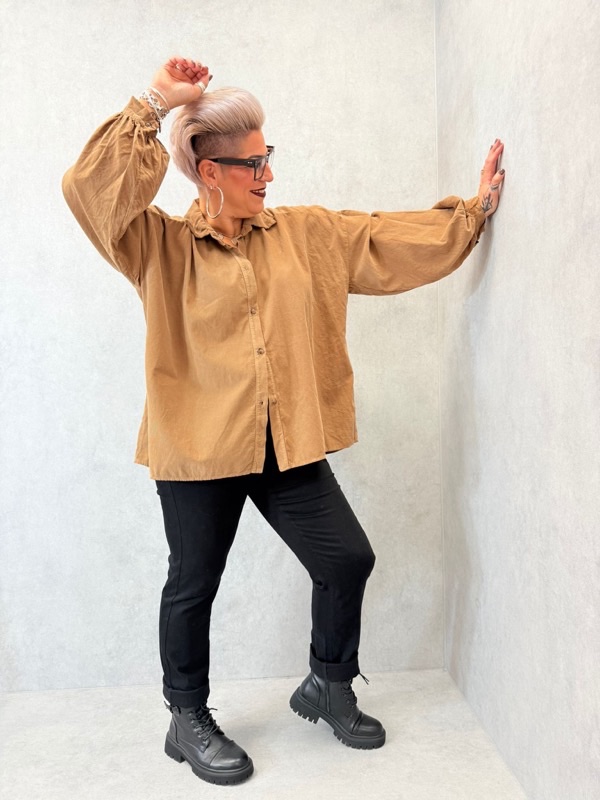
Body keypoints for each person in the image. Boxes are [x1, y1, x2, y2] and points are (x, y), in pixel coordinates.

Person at [62, 55, 505, 786]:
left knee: (346, 559)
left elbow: (383, 238)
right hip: (198, 449)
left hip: (284, 443)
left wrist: (474, 211)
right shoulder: (156, 247)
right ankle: (186, 717)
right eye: (253, 162)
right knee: (193, 584)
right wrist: (156, 101)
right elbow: (90, 191)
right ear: (209, 171)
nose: (268, 173)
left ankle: (327, 684)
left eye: (268, 155)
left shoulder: (305, 234)